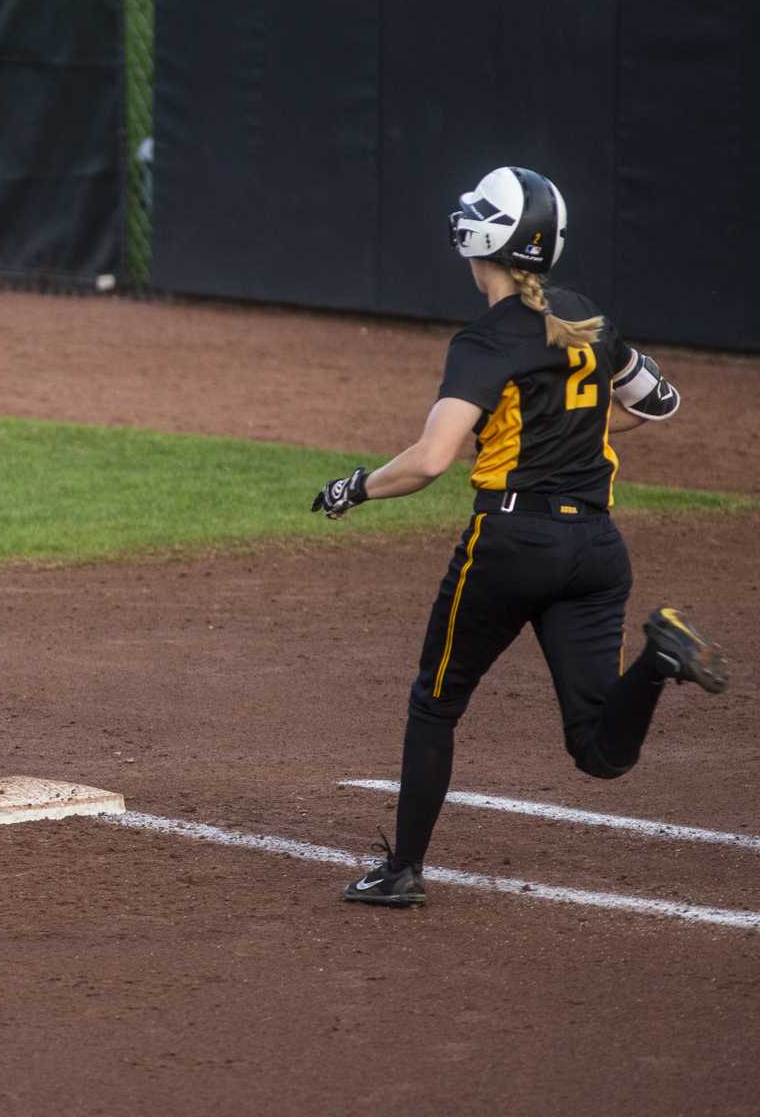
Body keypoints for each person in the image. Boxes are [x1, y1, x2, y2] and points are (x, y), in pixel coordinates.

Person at [310, 166, 730, 908]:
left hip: (510, 546)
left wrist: (353, 488)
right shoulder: (586, 316)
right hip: (598, 554)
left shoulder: (484, 341)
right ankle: (660, 658)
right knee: (598, 750)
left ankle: (403, 870)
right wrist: (558, 427)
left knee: (435, 703)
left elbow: (430, 461)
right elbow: (658, 402)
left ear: (485, 244)